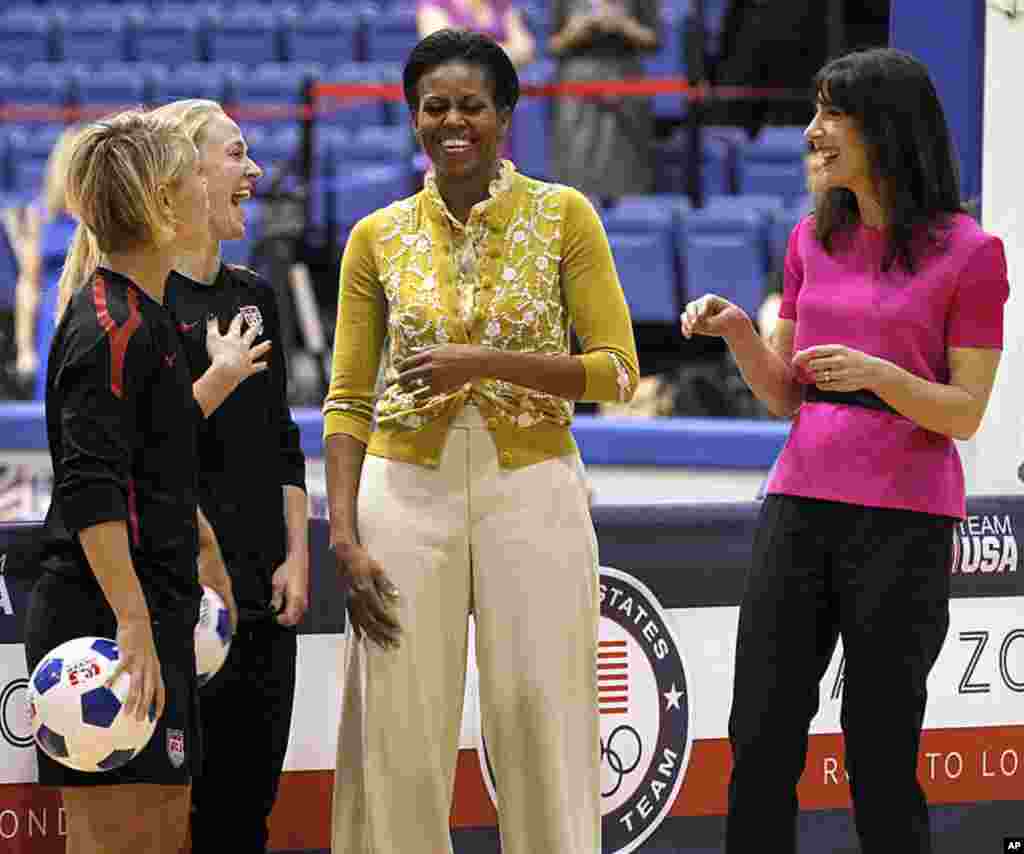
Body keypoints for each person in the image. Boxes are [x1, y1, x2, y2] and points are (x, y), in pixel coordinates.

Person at [680, 48, 1010, 854]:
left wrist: (879, 374)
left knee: (880, 745)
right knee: (759, 730)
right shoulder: (808, 239)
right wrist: (739, 336)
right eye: (815, 109)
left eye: (833, 113)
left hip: (905, 516)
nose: (812, 130)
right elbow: (786, 393)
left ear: (888, 128)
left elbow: (964, 414)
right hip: (799, 501)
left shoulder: (971, 253)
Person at [323, 28, 639, 854]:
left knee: (544, 714)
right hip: (403, 496)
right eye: (435, 106)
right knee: (398, 724)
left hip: (533, 490)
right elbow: (348, 401)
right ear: (413, 118)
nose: (451, 121)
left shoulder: (564, 214)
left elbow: (616, 372)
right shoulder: (375, 237)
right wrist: (344, 532)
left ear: (504, 115)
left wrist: (487, 363)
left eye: (471, 105)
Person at [22, 110, 269, 854]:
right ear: (163, 200)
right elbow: (93, 491)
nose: (209, 182)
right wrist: (131, 621)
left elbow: (154, 458)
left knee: (164, 837)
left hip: (154, 615)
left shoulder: (147, 316)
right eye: (195, 173)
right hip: (103, 622)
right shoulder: (107, 325)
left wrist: (202, 550)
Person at [150, 98, 309, 854]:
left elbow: (282, 443)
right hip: (178, 594)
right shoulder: (138, 305)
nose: (255, 171)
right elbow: (137, 453)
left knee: (248, 814)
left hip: (261, 593)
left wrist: (298, 554)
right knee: (172, 820)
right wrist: (214, 378)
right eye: (236, 155)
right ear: (184, 175)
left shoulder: (256, 296)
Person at [548, 0, 660, 204]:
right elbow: (553, 44)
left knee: (628, 169)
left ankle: (629, 226)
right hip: (577, 86)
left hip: (627, 83)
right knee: (576, 166)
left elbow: (655, 39)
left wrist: (623, 25)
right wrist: (578, 30)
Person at [9, 125, 80, 401]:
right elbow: (28, 285)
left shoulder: (103, 214)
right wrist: (25, 349)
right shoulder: (39, 214)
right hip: (52, 322)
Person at [417, 0, 535, 69]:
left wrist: (473, 48)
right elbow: (444, 50)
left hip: (498, 93)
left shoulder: (502, 4)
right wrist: (503, 50)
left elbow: (524, 50)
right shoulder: (434, 4)